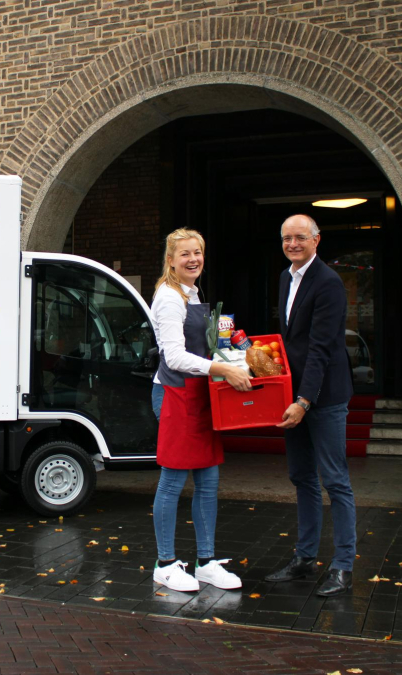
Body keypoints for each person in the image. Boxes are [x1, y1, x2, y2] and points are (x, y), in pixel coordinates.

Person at [151, 228, 252, 593]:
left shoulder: (191, 293)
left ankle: (206, 562)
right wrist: (223, 369)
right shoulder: (168, 298)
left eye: (198, 253)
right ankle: (164, 564)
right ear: (171, 260)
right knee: (173, 481)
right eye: (185, 254)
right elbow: (174, 356)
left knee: (208, 482)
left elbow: (201, 347)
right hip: (177, 394)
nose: (193, 259)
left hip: (199, 394)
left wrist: (233, 352)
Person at [266, 214, 356, 597]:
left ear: (317, 240)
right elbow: (290, 343)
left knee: (335, 480)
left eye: (300, 238)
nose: (292, 244)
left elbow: (319, 349)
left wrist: (304, 400)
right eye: (287, 238)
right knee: (301, 477)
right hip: (296, 394)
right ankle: (305, 558)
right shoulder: (286, 278)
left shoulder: (329, 283)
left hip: (325, 397)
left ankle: (343, 566)